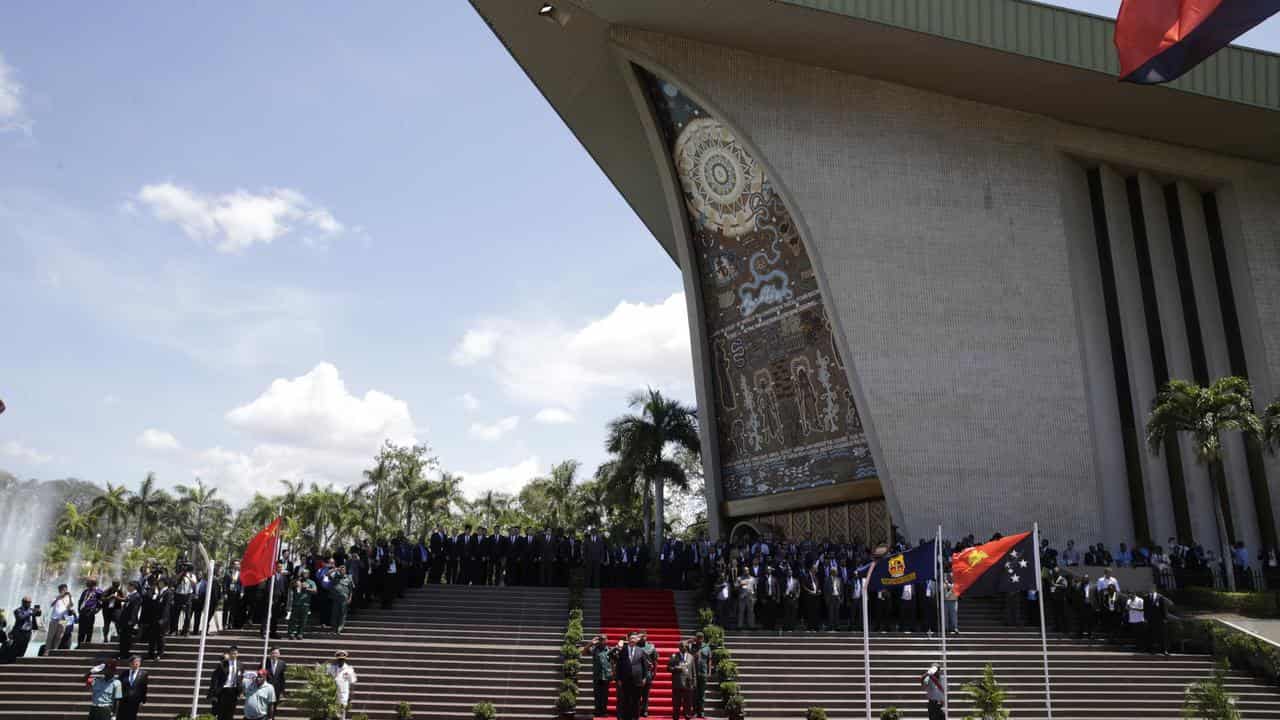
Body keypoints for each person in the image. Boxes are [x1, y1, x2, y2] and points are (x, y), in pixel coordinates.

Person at [614, 632, 650, 720]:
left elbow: (644, 666)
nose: (633, 640)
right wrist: (618, 679)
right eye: (631, 638)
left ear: (637, 640)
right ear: (628, 639)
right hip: (625, 680)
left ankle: (635, 717)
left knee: (636, 700)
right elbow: (618, 665)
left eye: (634, 638)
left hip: (637, 680)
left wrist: (644, 678)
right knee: (625, 700)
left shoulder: (641, 651)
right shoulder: (623, 650)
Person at [208, 645, 244, 720]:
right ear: (229, 654)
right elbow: (215, 678)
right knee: (221, 712)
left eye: (235, 653)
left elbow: (240, 678)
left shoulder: (240, 665)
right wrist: (214, 692)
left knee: (231, 712)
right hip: (223, 690)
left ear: (238, 654)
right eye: (232, 653)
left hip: (234, 690)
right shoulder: (223, 664)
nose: (233, 655)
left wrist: (240, 691)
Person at [668, 640, 696, 720]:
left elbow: (693, 671)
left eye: (685, 646)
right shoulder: (674, 656)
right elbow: (668, 668)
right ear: (679, 648)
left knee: (688, 703)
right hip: (677, 683)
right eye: (682, 646)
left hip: (688, 683)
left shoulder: (691, 657)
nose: (683, 648)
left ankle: (687, 716)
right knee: (676, 703)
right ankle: (676, 717)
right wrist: (676, 668)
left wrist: (694, 683)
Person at [586, 634, 613, 716]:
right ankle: (597, 710)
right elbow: (584, 651)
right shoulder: (595, 649)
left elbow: (613, 662)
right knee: (597, 694)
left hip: (606, 675)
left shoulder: (609, 650)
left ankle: (604, 711)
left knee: (605, 695)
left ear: (607, 640)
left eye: (604, 639)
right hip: (597, 675)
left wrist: (613, 673)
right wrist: (591, 643)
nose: (603, 641)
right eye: (601, 639)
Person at [287, 569, 317, 640]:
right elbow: (290, 587)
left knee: (303, 620)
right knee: (293, 620)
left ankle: (300, 633)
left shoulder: (311, 582)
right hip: (296, 603)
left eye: (306, 573)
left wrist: (307, 588)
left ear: (308, 574)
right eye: (303, 573)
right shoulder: (297, 580)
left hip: (305, 604)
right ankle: (291, 633)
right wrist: (295, 583)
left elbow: (315, 591)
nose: (304, 574)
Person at [327, 651, 358, 720]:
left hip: (343, 694)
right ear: (337, 659)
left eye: (342, 659)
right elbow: (326, 676)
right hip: (332, 694)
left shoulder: (349, 669)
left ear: (345, 659)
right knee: (332, 713)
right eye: (339, 659)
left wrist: (351, 695)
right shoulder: (331, 668)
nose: (341, 661)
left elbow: (352, 683)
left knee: (341, 713)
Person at [45, 585, 75, 654]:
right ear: (59, 590)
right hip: (55, 618)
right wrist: (60, 597)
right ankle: (46, 651)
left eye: (65, 590)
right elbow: (52, 604)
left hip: (64, 619)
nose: (64, 591)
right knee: (51, 635)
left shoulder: (69, 597)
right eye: (62, 590)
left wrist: (69, 596)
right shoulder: (56, 597)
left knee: (59, 635)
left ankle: (55, 649)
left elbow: (71, 605)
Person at [116, 655, 149, 720]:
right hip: (124, 700)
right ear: (130, 663)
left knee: (132, 717)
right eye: (135, 662)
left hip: (135, 701)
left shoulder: (144, 674)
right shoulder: (124, 673)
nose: (136, 663)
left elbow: (144, 687)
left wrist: (143, 700)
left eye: (138, 662)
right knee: (121, 717)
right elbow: (119, 686)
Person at [117, 583, 142, 660]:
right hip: (124, 620)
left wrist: (132, 620)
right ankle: (122, 653)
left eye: (129, 586)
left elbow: (135, 609)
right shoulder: (130, 595)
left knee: (127, 638)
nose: (127, 587)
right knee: (123, 637)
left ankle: (125, 653)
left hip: (129, 621)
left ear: (133, 587)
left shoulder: (136, 596)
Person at [262, 647, 288, 715]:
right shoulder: (265, 662)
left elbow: (283, 678)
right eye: (273, 653)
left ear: (279, 654)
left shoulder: (282, 663)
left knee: (274, 706)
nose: (274, 655)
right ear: (270, 654)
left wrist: (283, 690)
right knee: (265, 705)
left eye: (276, 653)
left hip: (277, 688)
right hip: (266, 688)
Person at [691, 631, 711, 718]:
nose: (699, 639)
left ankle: (701, 712)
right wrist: (690, 641)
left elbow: (709, 660)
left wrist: (709, 671)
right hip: (694, 673)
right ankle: (695, 711)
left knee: (702, 694)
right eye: (697, 638)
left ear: (703, 638)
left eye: (700, 638)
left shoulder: (706, 647)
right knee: (695, 693)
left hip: (703, 672)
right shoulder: (692, 646)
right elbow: (682, 644)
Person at [77, 580, 103, 647]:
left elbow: (102, 602)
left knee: (89, 629)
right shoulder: (85, 591)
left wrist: (97, 610)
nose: (86, 584)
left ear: (93, 584)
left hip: (90, 612)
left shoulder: (98, 592)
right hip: (82, 612)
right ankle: (79, 644)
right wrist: (79, 610)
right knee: (81, 630)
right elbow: (80, 600)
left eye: (88, 583)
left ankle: (87, 644)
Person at [330, 565, 354, 635]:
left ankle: (339, 629)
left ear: (345, 570)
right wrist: (335, 569)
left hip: (344, 599)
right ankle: (334, 629)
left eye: (343, 569)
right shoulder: (335, 577)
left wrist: (350, 598)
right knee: (334, 614)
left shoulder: (349, 578)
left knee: (342, 614)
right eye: (341, 569)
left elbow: (351, 590)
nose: (342, 570)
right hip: (336, 598)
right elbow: (327, 574)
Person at [638, 630, 658, 718]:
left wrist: (655, 672)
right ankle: (637, 709)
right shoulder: (635, 646)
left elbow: (655, 660)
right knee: (637, 693)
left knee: (646, 694)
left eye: (644, 636)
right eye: (641, 636)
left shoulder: (651, 647)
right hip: (637, 672)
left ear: (647, 637)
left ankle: (645, 710)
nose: (643, 638)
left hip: (647, 672)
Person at [1146, 588, 1170, 655]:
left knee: (1163, 635)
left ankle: (1164, 650)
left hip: (1160, 619)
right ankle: (1153, 650)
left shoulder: (1160, 597)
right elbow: (1146, 608)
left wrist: (1165, 618)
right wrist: (1146, 617)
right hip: (1151, 619)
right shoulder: (1147, 597)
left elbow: (1164, 608)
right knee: (1152, 635)